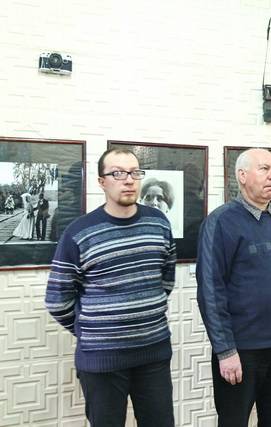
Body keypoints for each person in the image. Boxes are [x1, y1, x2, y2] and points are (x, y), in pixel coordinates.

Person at [45, 148, 176, 427]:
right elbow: (57, 300)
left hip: (153, 353)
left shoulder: (159, 223)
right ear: (101, 182)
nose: (128, 180)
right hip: (101, 359)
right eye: (118, 173)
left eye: (134, 172)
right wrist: (92, 328)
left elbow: (165, 280)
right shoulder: (79, 232)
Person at [196, 148, 271, 427]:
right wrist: (225, 350)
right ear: (242, 175)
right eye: (264, 169)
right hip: (241, 349)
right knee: (234, 421)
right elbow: (210, 291)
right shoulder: (221, 221)